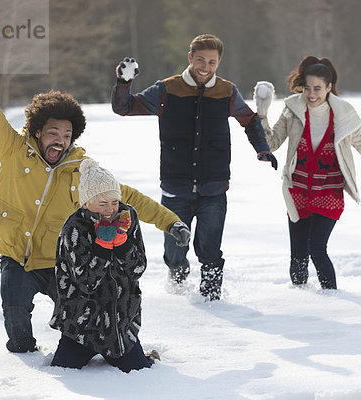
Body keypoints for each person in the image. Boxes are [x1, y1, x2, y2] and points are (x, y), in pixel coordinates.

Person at [0, 20, 191, 353]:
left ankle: (97, 350)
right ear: (38, 130)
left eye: (67, 135)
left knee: (81, 320)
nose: (60, 140)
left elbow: (127, 197)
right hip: (16, 257)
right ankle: (26, 358)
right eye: (54, 132)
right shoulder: (13, 150)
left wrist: (171, 222)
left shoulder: (83, 170)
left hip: (60, 262)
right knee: (16, 326)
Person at [111, 34, 278, 301]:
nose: (205, 66)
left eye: (212, 62)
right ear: (190, 58)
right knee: (175, 253)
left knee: (210, 250)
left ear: (218, 63)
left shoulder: (226, 91)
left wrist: (262, 149)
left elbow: (249, 120)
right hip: (176, 188)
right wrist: (123, 82)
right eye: (200, 59)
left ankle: (213, 300)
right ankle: (177, 286)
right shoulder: (167, 89)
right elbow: (125, 107)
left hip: (214, 187)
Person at [253, 56, 361, 290]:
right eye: (307, 88)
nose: (311, 94)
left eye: (317, 88)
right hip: (298, 192)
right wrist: (262, 113)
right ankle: (297, 303)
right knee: (298, 255)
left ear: (328, 87)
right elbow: (271, 143)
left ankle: (332, 300)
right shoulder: (292, 110)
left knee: (316, 248)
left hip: (329, 194)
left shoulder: (343, 117)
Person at [50, 159, 157, 371]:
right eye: (102, 204)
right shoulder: (74, 227)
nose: (110, 209)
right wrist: (102, 248)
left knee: (140, 370)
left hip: (119, 326)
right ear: (85, 203)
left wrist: (123, 245)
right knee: (62, 369)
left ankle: (139, 353)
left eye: (114, 202)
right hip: (80, 325)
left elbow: (138, 269)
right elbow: (86, 282)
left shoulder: (128, 217)